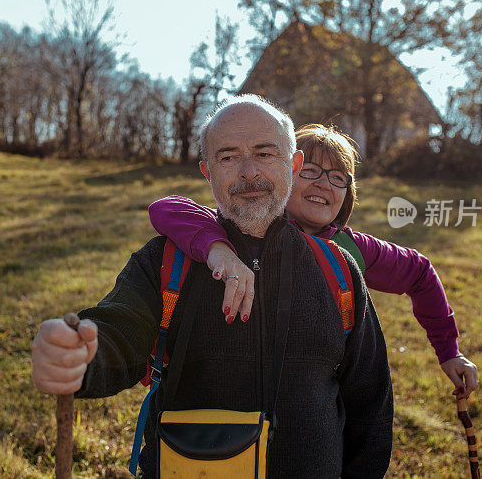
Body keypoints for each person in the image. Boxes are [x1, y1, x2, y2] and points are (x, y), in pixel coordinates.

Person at [32, 95, 393, 477]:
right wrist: (80, 354)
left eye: (265, 154)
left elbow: (370, 404)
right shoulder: (165, 261)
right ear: (208, 171)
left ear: (294, 164)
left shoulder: (336, 269)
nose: (248, 172)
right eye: (228, 157)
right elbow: (119, 332)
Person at [148, 123, 479, 399]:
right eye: (311, 171)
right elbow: (166, 208)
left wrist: (449, 350)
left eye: (339, 177)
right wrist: (218, 248)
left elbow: (419, 272)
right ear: (286, 172)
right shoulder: (242, 227)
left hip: (310, 403)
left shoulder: (349, 248)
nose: (324, 182)